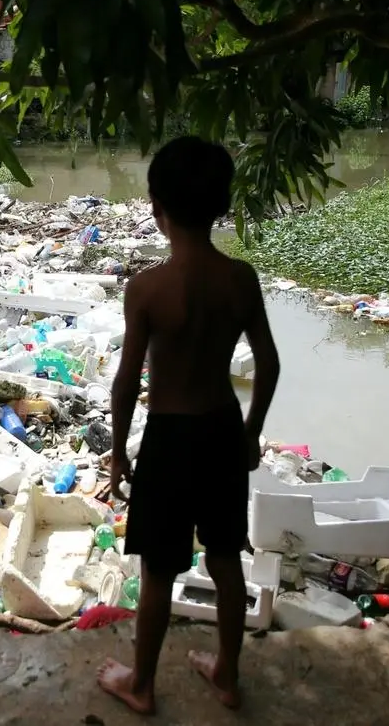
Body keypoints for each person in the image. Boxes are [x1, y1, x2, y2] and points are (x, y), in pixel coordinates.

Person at [96, 136, 281, 715]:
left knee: (157, 571)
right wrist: (250, 432)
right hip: (222, 428)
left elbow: (126, 382)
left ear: (158, 207)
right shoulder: (241, 279)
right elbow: (269, 363)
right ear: (222, 205)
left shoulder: (146, 288)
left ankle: (142, 683)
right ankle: (227, 674)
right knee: (225, 559)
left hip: (170, 438)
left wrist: (118, 452)